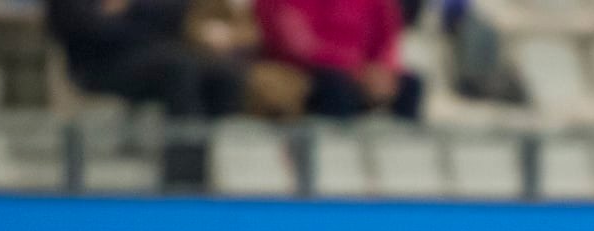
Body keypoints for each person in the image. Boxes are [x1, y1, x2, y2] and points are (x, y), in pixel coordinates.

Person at [47, 0, 243, 118]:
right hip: (98, 66)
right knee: (179, 67)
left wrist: (129, 8)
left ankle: (215, 161)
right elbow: (85, 27)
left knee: (224, 72)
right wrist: (140, 23)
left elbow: (175, 10)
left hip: (155, 53)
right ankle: (185, 171)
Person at [253, 0, 422, 120]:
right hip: (303, 69)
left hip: (358, 71)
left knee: (411, 85)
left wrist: (384, 69)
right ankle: (334, 162)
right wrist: (357, 69)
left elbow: (386, 38)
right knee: (335, 86)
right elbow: (297, 45)